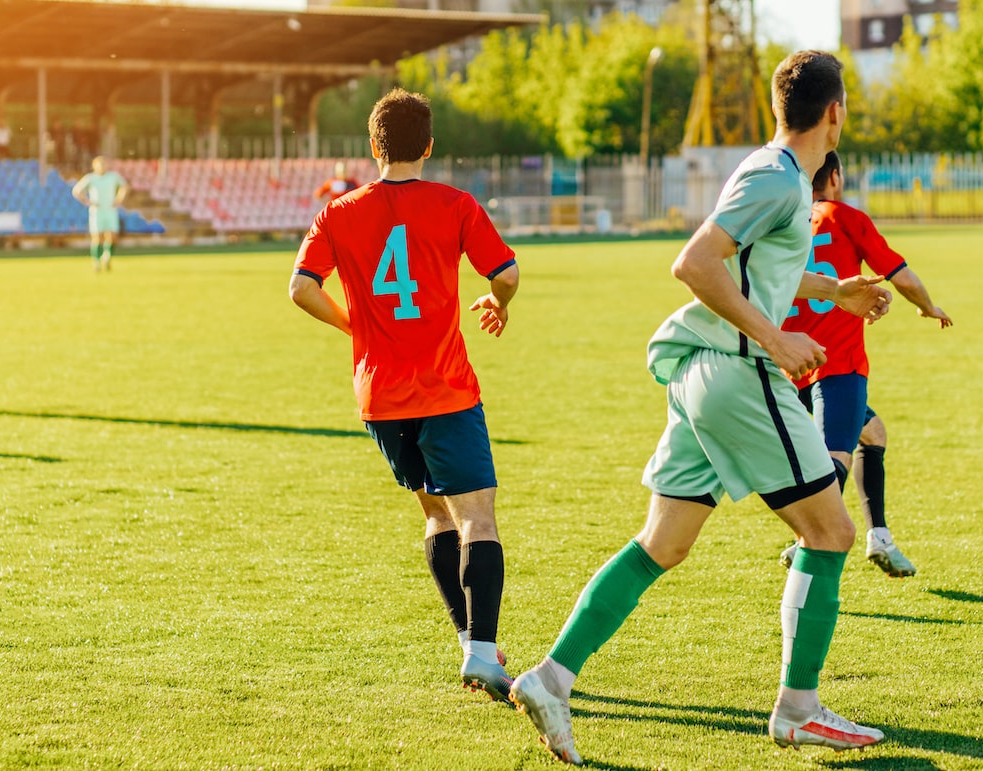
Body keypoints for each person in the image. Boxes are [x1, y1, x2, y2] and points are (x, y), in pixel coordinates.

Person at [508, 51, 892, 765]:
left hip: (706, 371)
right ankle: (798, 709)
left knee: (665, 541)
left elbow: (758, 266)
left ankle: (550, 677)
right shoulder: (778, 178)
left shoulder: (774, 174)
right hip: (739, 373)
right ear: (834, 110)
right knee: (831, 533)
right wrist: (776, 337)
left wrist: (833, 291)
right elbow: (694, 262)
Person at [289, 88, 521, 702]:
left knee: (436, 514)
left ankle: (473, 641)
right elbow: (507, 274)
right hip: (444, 387)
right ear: (429, 145)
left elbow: (301, 288)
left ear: (373, 146)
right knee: (477, 516)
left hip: (380, 397)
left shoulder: (338, 212)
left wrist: (355, 325)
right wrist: (497, 303)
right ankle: (480, 654)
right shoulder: (455, 203)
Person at [780, 151, 953, 579]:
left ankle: (879, 536)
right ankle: (805, 542)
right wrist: (928, 307)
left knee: (872, 433)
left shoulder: (789, 222)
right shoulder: (845, 217)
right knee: (833, 457)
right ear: (835, 176)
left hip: (796, 362)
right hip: (838, 364)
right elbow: (902, 276)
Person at [72, 156, 129, 272]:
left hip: (110, 210)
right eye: (100, 164)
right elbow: (76, 191)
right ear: (94, 166)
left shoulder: (113, 177)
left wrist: (119, 199)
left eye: (104, 164)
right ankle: (96, 262)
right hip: (97, 211)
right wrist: (87, 201)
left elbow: (125, 186)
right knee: (97, 238)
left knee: (112, 236)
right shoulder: (91, 178)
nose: (102, 167)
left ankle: (107, 257)